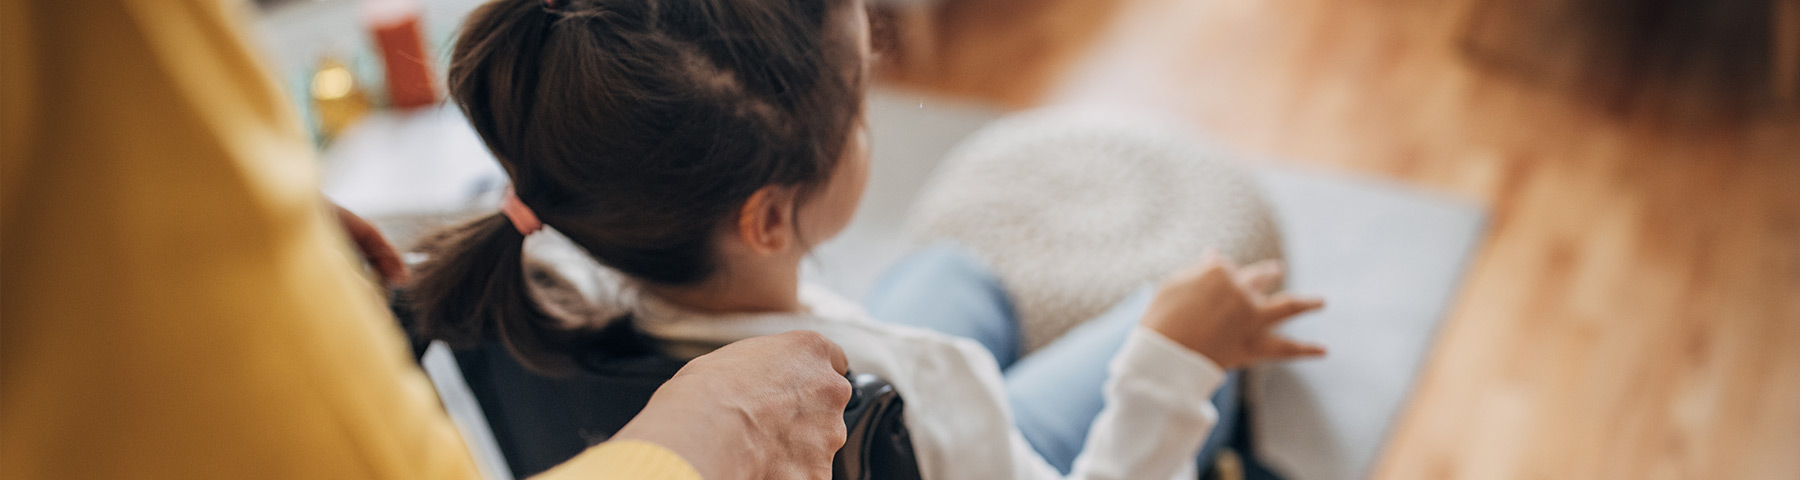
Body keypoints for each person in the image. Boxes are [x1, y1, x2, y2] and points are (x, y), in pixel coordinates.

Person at [405, 0, 1328, 479]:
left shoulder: (525, 272)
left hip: (907, 415)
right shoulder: (920, 396)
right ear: (767, 217)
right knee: (1165, 315)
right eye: (857, 102)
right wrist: (1174, 365)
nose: (868, 118)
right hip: (939, 447)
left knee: (955, 274)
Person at [0, 1, 854, 479]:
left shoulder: (515, 296)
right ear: (769, 215)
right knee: (952, 283)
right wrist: (699, 443)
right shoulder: (874, 390)